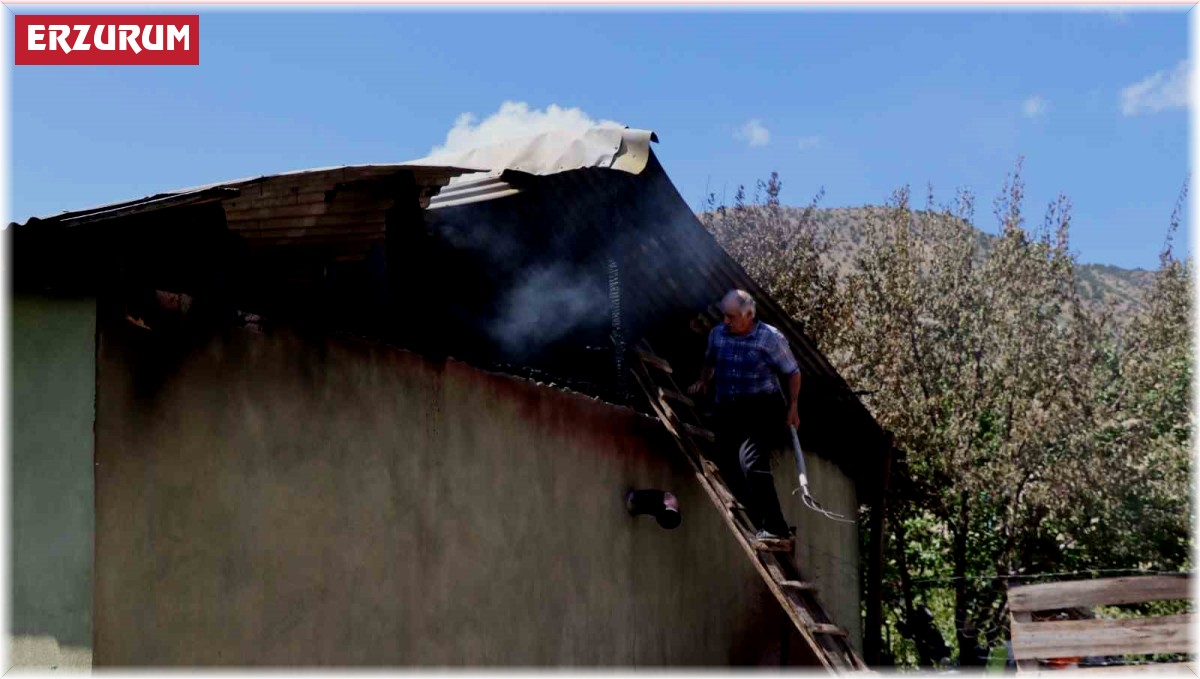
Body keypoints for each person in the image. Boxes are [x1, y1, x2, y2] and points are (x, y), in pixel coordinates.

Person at [688, 289, 801, 541]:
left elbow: (793, 372)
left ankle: (776, 528)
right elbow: (710, 361)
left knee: (750, 460)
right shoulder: (717, 334)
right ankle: (756, 516)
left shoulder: (770, 338)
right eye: (724, 316)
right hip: (730, 407)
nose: (726, 321)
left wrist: (793, 406)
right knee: (724, 460)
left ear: (748, 314)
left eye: (731, 317)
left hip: (763, 407)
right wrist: (704, 381)